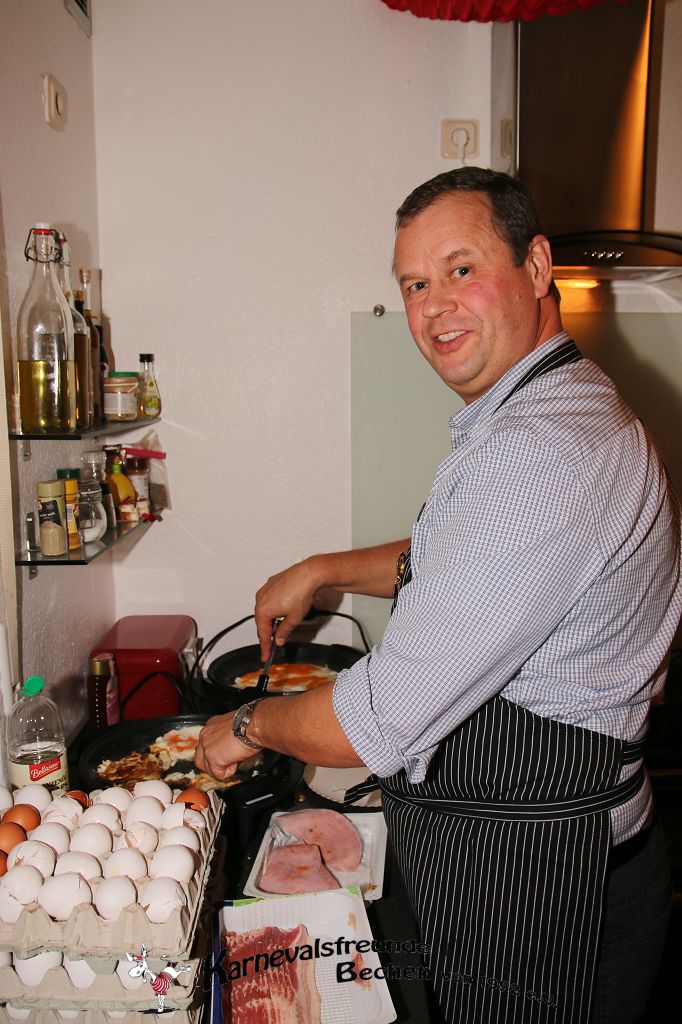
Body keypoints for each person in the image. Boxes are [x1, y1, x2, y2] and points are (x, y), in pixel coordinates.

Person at [196, 167, 681, 1024]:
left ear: (537, 267)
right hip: (528, 858)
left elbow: (370, 722)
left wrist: (245, 725)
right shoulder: (550, 410)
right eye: (415, 284)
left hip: (547, 888)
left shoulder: (540, 451)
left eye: (461, 269)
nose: (433, 307)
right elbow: (465, 561)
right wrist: (324, 568)